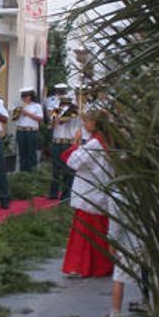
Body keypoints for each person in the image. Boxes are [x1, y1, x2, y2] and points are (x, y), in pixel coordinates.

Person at [61, 109, 114, 278]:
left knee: (86, 235)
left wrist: (76, 144)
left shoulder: (94, 144)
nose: (84, 124)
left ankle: (81, 267)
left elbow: (74, 162)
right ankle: (101, 266)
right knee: (99, 233)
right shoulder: (106, 141)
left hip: (90, 193)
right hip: (100, 191)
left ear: (95, 124)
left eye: (87, 121)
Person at [99, 190, 141, 317]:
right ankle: (146, 303)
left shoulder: (118, 195)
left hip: (129, 243)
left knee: (119, 277)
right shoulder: (148, 188)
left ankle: (114, 316)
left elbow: (115, 225)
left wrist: (112, 242)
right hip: (147, 239)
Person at [48, 95, 79, 200]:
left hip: (68, 142)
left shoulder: (74, 111)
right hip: (57, 141)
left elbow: (62, 121)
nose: (64, 105)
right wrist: (55, 114)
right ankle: (53, 193)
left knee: (68, 170)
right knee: (55, 169)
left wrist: (58, 115)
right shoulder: (56, 111)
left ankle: (66, 194)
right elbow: (50, 125)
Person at [12, 87, 43, 171]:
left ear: (31, 96)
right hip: (21, 131)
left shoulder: (36, 106)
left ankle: (32, 172)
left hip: (31, 131)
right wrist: (18, 112)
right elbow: (13, 118)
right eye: (23, 96)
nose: (24, 98)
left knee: (31, 153)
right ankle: (23, 172)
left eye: (26, 96)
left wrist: (27, 113)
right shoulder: (19, 106)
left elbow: (40, 119)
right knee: (22, 153)